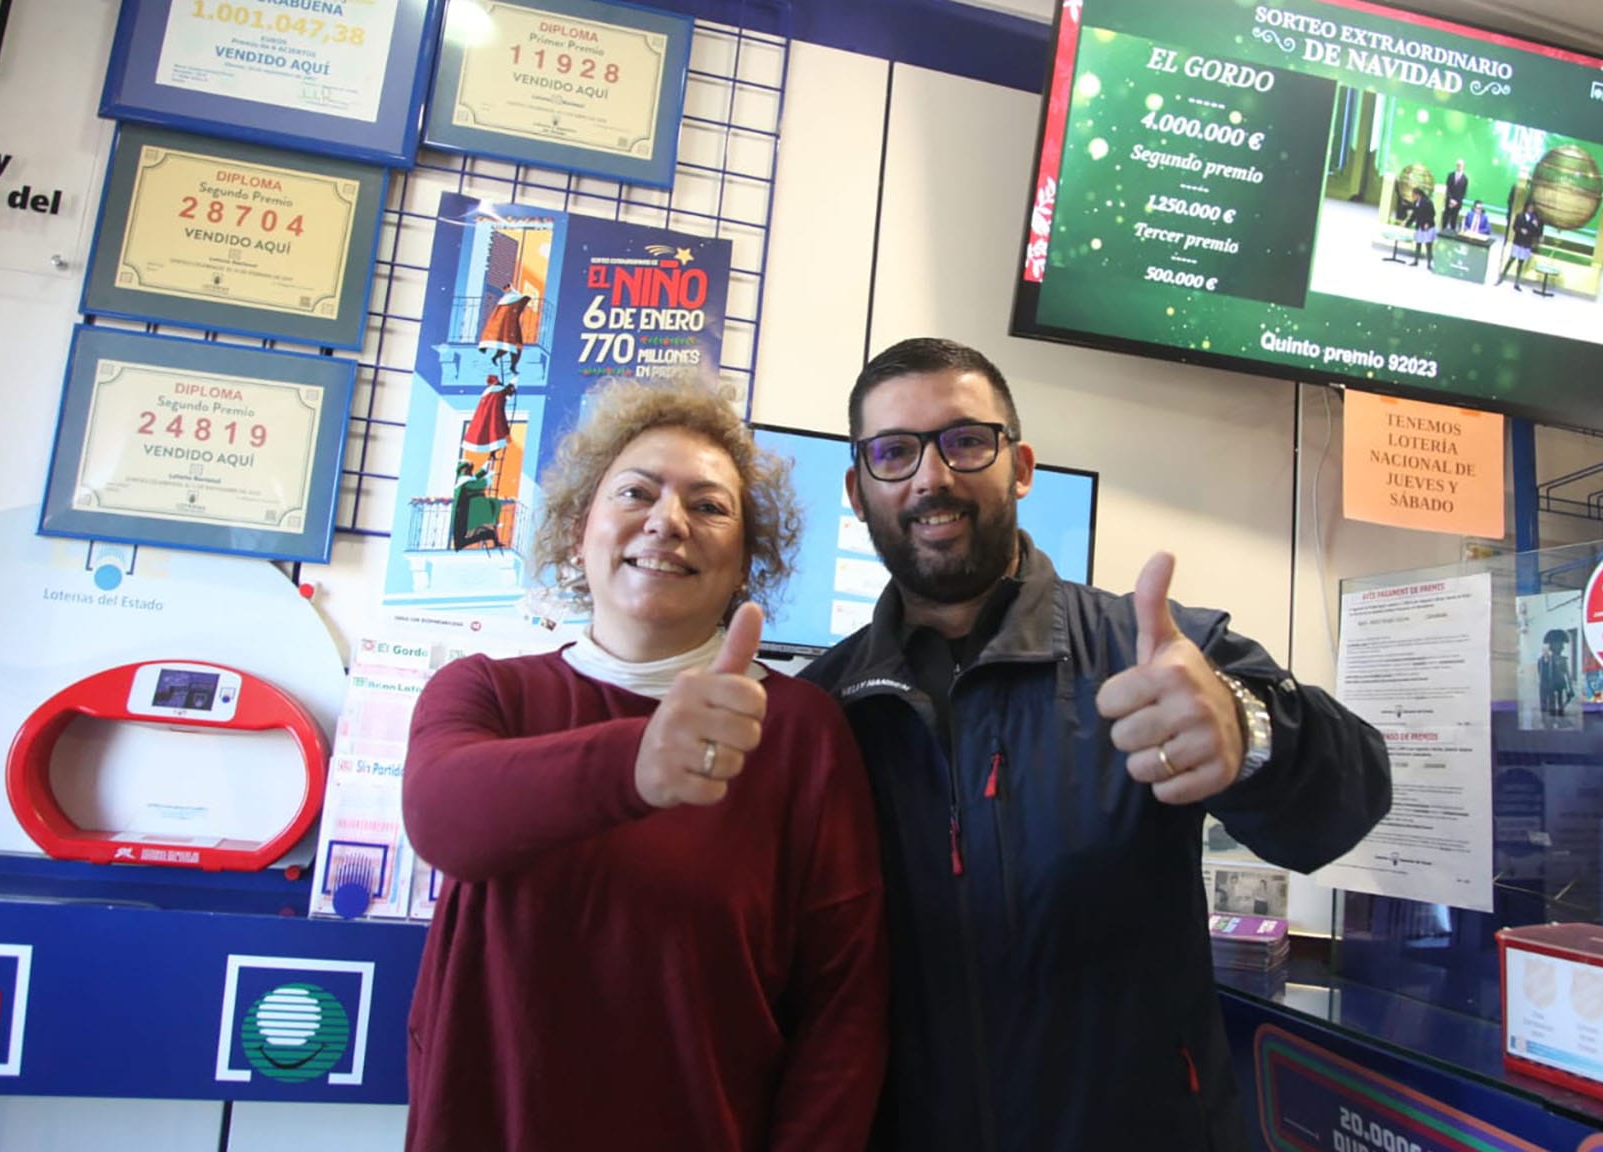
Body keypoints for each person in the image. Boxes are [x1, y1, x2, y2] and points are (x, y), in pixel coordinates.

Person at [801, 338, 1392, 1152]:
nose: (932, 477)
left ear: (1021, 467)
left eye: (965, 441)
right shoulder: (821, 714)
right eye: (894, 452)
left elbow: (1351, 798)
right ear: (858, 490)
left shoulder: (1151, 657)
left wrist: (1248, 732)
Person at [402, 378, 888, 1151]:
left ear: (744, 565)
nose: (667, 521)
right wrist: (636, 763)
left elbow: (843, 1009)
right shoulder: (486, 692)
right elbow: (442, 818)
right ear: (577, 531)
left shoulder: (800, 730)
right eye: (636, 492)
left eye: (709, 506)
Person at [478, 285, 537, 373]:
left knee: (514, 347)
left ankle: (510, 365)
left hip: (513, 327)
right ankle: (501, 360)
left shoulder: (509, 302)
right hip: (509, 329)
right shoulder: (511, 302)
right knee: (509, 345)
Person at [1497, 201, 1545, 290]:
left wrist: (1536, 226)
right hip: (1518, 241)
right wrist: (1520, 230)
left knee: (1521, 263)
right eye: (1529, 207)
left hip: (1526, 243)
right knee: (1511, 259)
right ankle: (1501, 277)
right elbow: (1514, 227)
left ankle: (1517, 283)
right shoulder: (1520, 216)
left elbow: (1537, 233)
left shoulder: (1535, 219)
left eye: (1532, 208)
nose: (1531, 209)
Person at [1402, 186, 1437, 269]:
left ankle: (1429, 264)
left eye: (1413, 195)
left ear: (1418, 195)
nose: (1412, 197)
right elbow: (1414, 215)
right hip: (1420, 225)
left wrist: (1428, 222)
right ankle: (1416, 261)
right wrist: (1407, 224)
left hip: (1427, 226)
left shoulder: (1428, 202)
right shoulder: (1416, 203)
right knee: (1418, 243)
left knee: (1428, 245)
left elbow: (1432, 213)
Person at [1443, 159, 1470, 232]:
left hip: (1457, 203)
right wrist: (1450, 199)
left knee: (1454, 218)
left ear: (1463, 166)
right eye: (1458, 165)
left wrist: (1456, 201)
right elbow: (1447, 188)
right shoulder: (1450, 175)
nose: (1459, 166)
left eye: (1460, 165)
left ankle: (1453, 232)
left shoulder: (1465, 179)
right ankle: (1443, 230)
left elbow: (1463, 193)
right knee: (1446, 216)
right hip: (1449, 201)